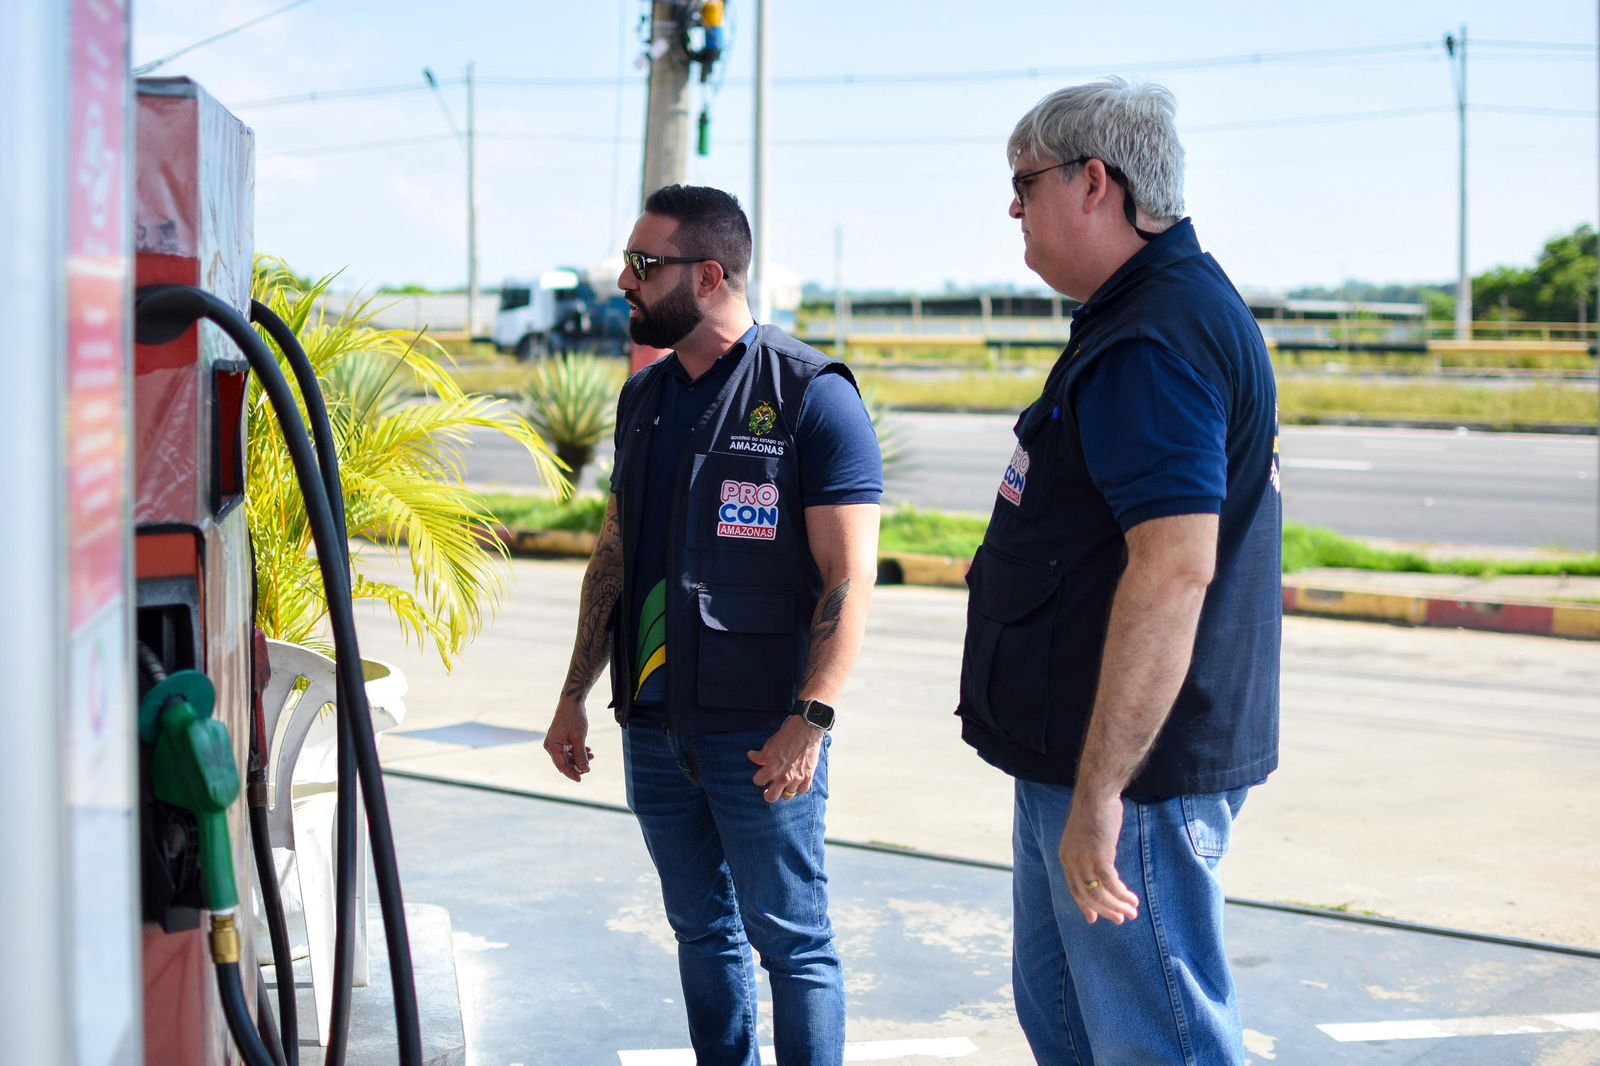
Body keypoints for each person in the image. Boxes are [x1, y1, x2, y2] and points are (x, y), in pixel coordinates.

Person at [957, 79, 1282, 1065]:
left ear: (1093, 182)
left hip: (1131, 779)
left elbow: (1174, 570)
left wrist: (1103, 792)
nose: (1012, 207)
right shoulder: (1140, 315)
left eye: (1024, 183)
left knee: (1156, 1044)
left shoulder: (1155, 337)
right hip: (1084, 758)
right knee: (1072, 1029)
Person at [542, 184, 882, 1066]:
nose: (624, 280)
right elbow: (614, 556)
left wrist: (811, 720)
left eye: (643, 264)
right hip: (654, 729)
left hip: (761, 736)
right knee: (700, 931)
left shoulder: (811, 396)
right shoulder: (643, 399)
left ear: (709, 276)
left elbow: (849, 581)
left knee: (793, 944)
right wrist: (574, 694)